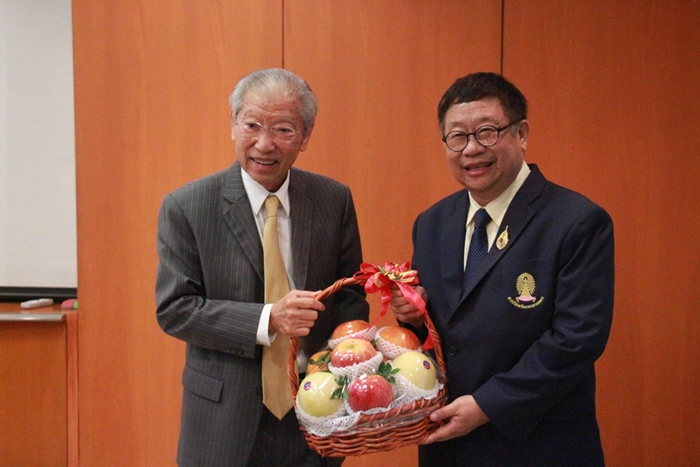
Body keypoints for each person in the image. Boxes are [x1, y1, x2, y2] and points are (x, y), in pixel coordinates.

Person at [390, 72, 614, 466]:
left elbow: (576, 339)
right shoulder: (432, 223)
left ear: (521, 133)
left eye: (487, 132)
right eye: (457, 137)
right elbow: (440, 335)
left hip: (539, 445)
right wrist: (411, 316)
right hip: (447, 446)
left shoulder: (577, 221)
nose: (471, 149)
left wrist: (487, 405)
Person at [156, 68, 369, 467]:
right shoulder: (188, 206)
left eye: (283, 129)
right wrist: (269, 319)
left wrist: (342, 370)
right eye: (252, 125)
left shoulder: (333, 199)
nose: (264, 144)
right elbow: (175, 309)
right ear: (233, 124)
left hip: (315, 415)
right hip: (222, 421)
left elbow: (350, 297)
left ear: (305, 135)